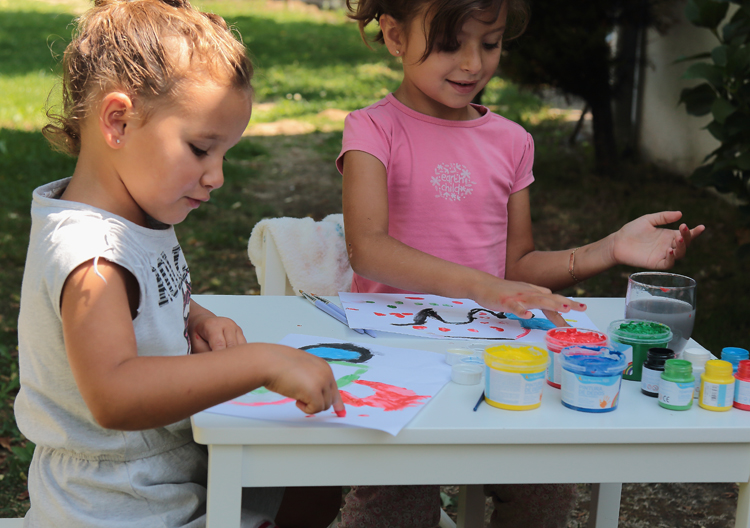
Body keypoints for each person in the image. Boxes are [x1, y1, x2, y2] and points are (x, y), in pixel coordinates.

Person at [337, 0, 705, 526]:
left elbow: (518, 266)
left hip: (498, 354)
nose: (473, 64)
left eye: (489, 44)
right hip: (398, 359)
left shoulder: (512, 141)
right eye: (450, 45)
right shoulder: (372, 128)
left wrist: (609, 249)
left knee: (546, 483)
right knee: (397, 499)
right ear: (395, 36)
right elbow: (368, 249)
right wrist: (484, 287)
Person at [14, 1, 344, 527]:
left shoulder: (131, 214)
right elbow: (115, 395)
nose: (217, 176)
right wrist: (262, 362)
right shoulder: (94, 257)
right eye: (200, 149)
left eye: (224, 154)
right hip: (116, 505)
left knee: (317, 476)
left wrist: (196, 318)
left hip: (161, 476)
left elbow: (146, 300)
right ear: (119, 121)